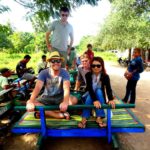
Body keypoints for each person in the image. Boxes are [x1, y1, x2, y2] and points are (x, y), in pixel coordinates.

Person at [26, 51, 78, 119]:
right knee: (29, 102)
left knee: (74, 100)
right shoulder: (44, 73)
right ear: (49, 62)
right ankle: (58, 115)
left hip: (60, 97)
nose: (56, 63)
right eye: (53, 61)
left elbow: (66, 88)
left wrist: (65, 102)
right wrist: (31, 101)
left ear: (61, 62)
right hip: (46, 98)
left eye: (58, 61)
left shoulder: (65, 73)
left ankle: (47, 112)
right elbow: (38, 87)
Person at [78, 57, 115, 128]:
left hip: (100, 97)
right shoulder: (88, 75)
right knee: (91, 95)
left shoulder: (105, 76)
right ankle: (99, 117)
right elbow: (90, 89)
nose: (96, 67)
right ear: (91, 66)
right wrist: (95, 100)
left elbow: (108, 89)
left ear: (102, 66)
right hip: (89, 95)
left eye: (98, 66)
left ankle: (85, 118)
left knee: (98, 90)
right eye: (93, 66)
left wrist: (110, 99)